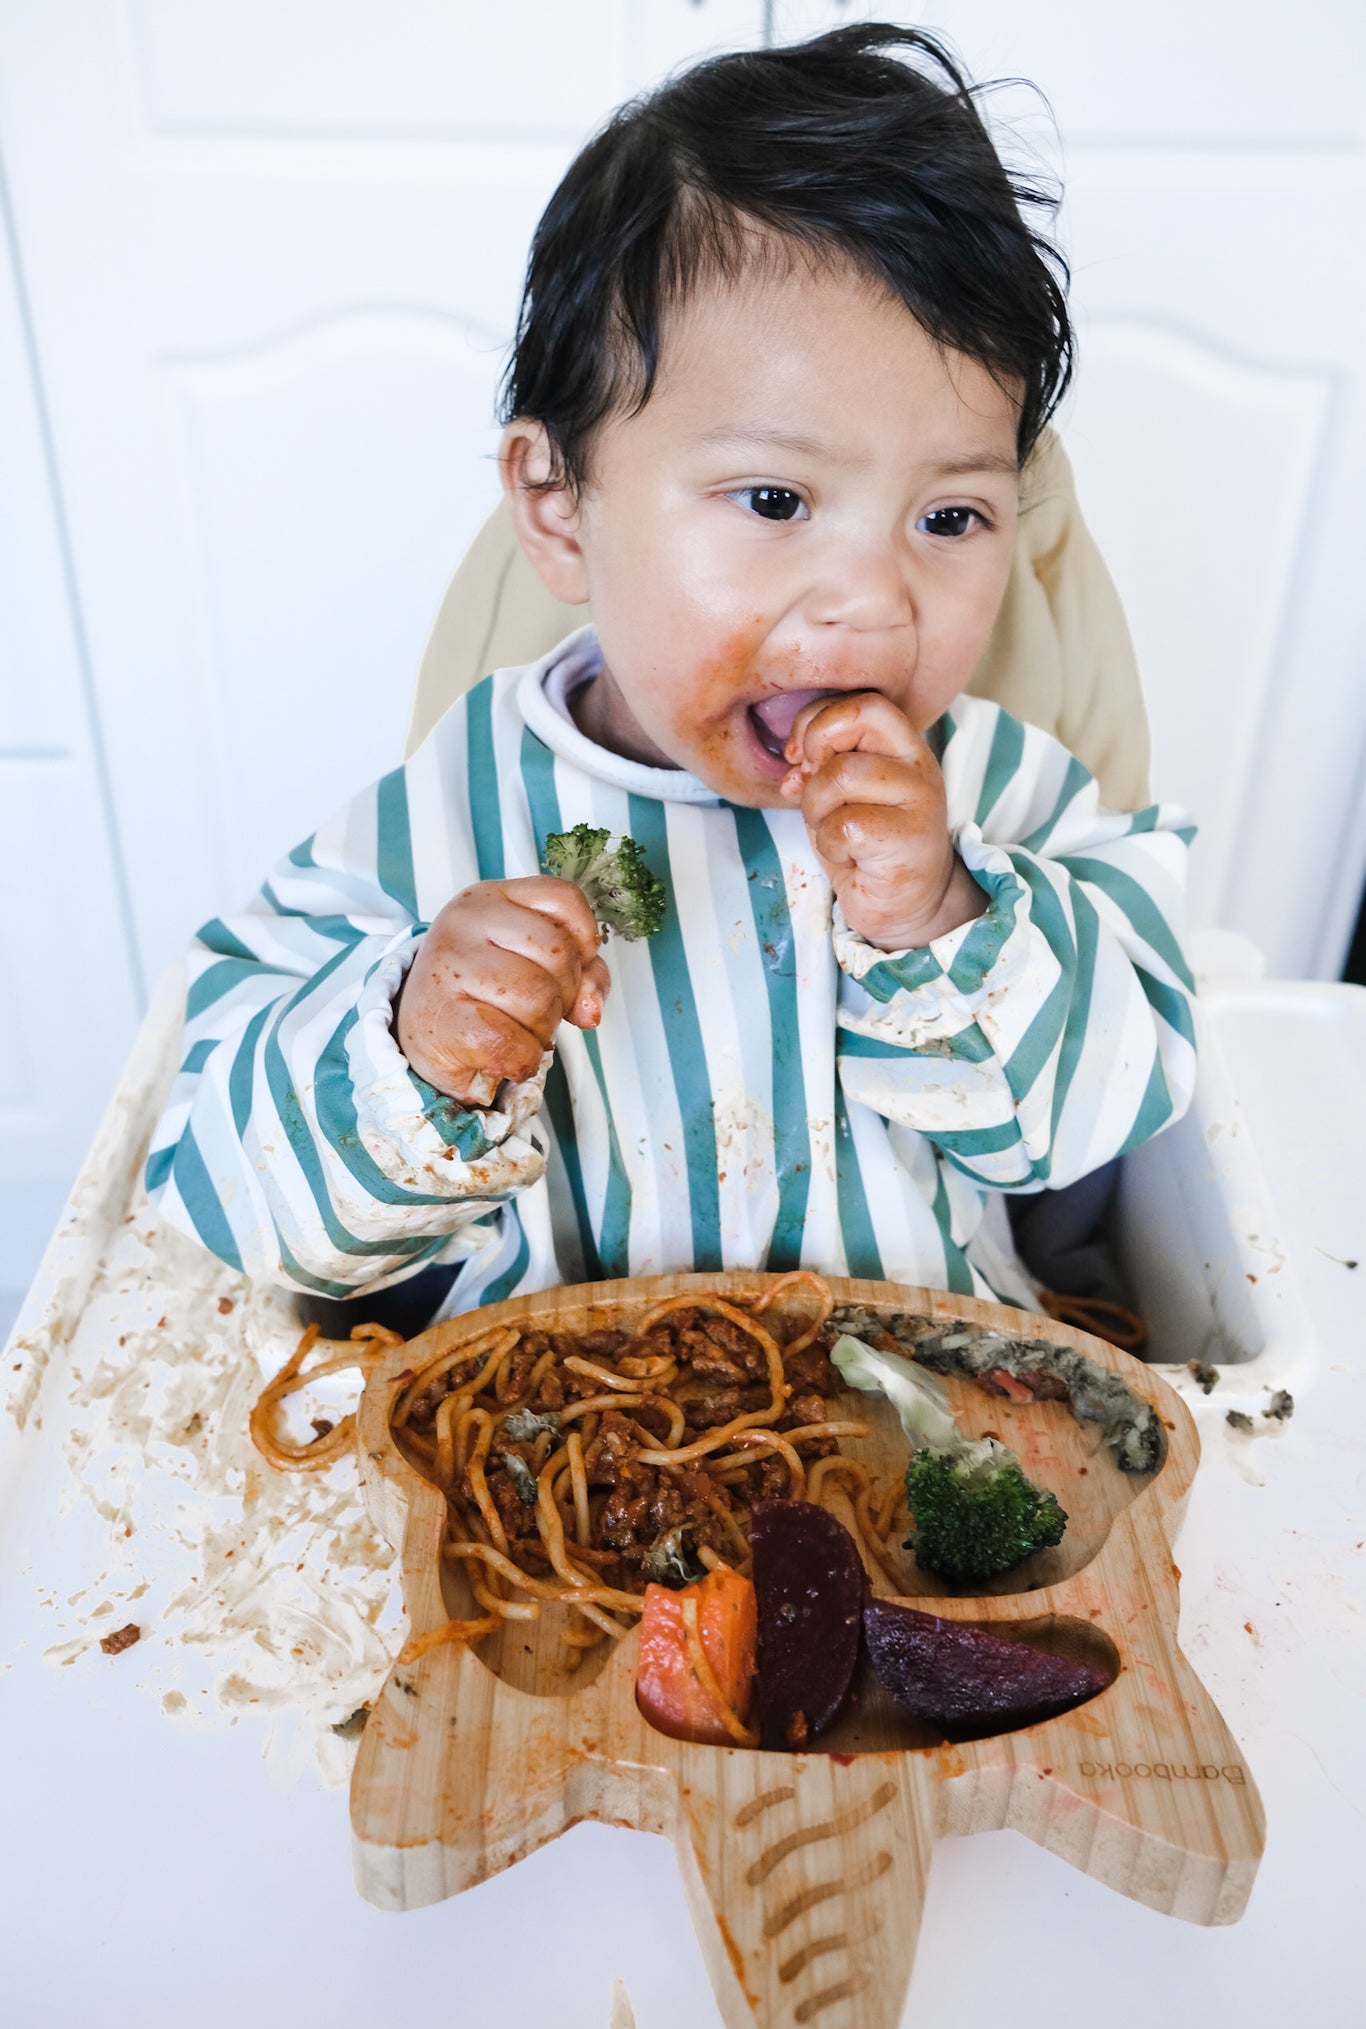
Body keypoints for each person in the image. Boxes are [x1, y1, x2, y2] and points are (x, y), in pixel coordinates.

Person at [146, 25, 1195, 1324]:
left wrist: (942, 922)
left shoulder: (1009, 800)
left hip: (923, 1426)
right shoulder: (438, 823)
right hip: (546, 1444)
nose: (873, 599)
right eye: (773, 496)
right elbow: (238, 1214)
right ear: (557, 505)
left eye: (949, 518)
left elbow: (1098, 1131)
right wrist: (417, 1048)